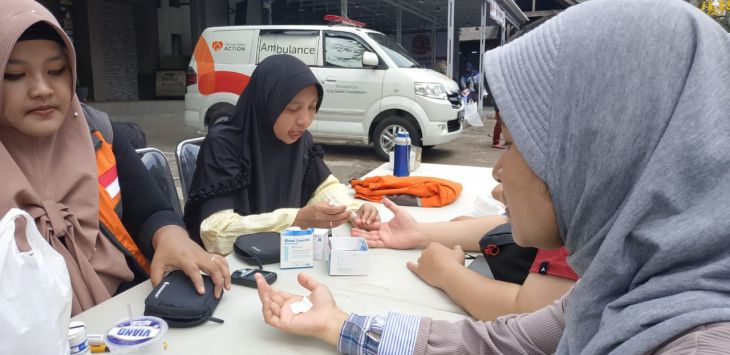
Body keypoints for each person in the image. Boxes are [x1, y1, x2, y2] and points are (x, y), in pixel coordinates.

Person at [255, 0, 730, 353]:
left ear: (600, 148)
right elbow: (501, 343)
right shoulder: (622, 282)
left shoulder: (691, 341)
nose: (498, 169)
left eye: (523, 142)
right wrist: (338, 325)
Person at [0, 0, 230, 316]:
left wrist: (171, 237)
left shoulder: (97, 133)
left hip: (125, 315)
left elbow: (151, 210)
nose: (41, 89)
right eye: (14, 74)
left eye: (56, 70)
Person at [184, 54, 379, 255]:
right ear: (267, 103)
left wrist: (353, 210)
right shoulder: (224, 145)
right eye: (292, 108)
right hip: (233, 267)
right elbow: (215, 233)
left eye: (312, 107)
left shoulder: (299, 140)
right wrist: (295, 219)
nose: (304, 120)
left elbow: (322, 187)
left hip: (287, 257)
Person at [352, 196, 576, 321]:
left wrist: (448, 273)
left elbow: (533, 315)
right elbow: (509, 222)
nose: (498, 174)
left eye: (511, 146)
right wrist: (417, 233)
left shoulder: (573, 216)